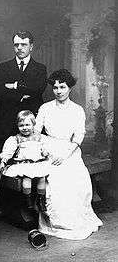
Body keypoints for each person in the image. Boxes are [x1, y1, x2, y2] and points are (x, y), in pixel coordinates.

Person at [35, 69, 103, 240]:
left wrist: (64, 155)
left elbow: (79, 135)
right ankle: (55, 221)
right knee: (55, 179)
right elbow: (36, 131)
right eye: (55, 87)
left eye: (63, 87)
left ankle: (73, 221)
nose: (58, 91)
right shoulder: (45, 108)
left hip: (69, 150)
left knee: (75, 178)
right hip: (48, 147)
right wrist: (44, 148)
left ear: (70, 88)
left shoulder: (77, 110)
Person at [0, 30, 47, 166]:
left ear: (31, 46)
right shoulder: (4, 67)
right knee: (4, 157)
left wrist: (12, 86)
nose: (20, 48)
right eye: (17, 45)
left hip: (30, 119)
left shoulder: (40, 68)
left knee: (32, 158)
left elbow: (37, 90)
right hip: (6, 118)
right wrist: (21, 94)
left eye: (24, 44)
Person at [0, 110, 50, 212]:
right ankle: (28, 201)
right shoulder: (16, 139)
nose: (25, 128)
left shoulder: (39, 138)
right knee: (27, 180)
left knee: (42, 178)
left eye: (28, 125)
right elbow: (8, 152)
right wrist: (3, 161)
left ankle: (40, 200)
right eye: (21, 125)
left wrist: (46, 152)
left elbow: (46, 149)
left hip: (38, 164)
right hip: (24, 165)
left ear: (33, 125)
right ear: (17, 126)